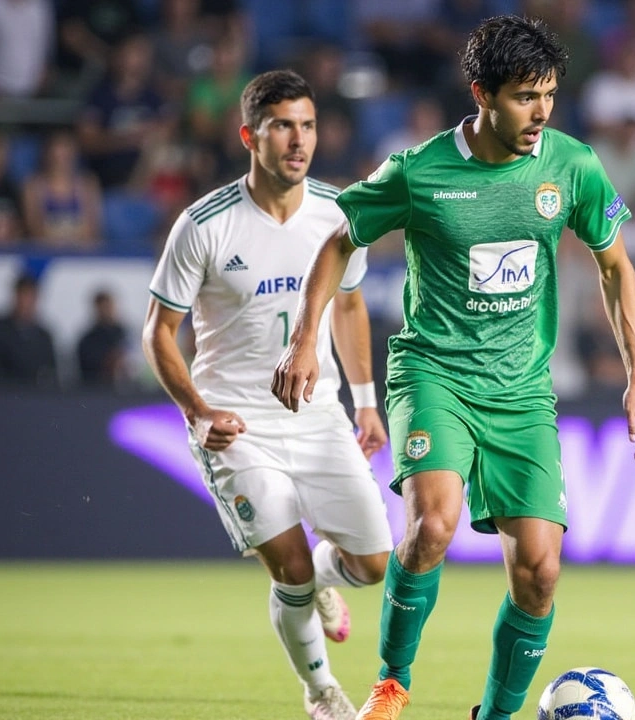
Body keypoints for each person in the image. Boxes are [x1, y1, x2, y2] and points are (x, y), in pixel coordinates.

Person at [272, 16, 635, 720]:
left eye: (548, 95)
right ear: (482, 94)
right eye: (523, 97)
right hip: (434, 374)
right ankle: (392, 684)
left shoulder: (571, 166)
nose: (540, 113)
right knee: (432, 526)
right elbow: (338, 241)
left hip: (521, 390)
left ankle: (497, 715)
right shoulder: (419, 172)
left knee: (540, 570)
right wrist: (305, 340)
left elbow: (615, 267)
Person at [142, 70, 393, 720]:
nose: (298, 139)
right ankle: (321, 692)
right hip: (238, 424)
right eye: (283, 125)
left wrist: (365, 399)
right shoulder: (203, 225)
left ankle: (322, 578)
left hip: (320, 417)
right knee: (291, 572)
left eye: (307, 125)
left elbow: (351, 305)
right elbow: (158, 333)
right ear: (250, 135)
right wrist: (198, 413)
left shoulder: (339, 213)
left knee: (373, 563)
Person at [0, 273, 58, 387]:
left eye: (30, 298)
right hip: (1, 397)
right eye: (23, 296)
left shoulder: (44, 337)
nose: (26, 304)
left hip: (34, 400)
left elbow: (50, 375)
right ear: (15, 297)